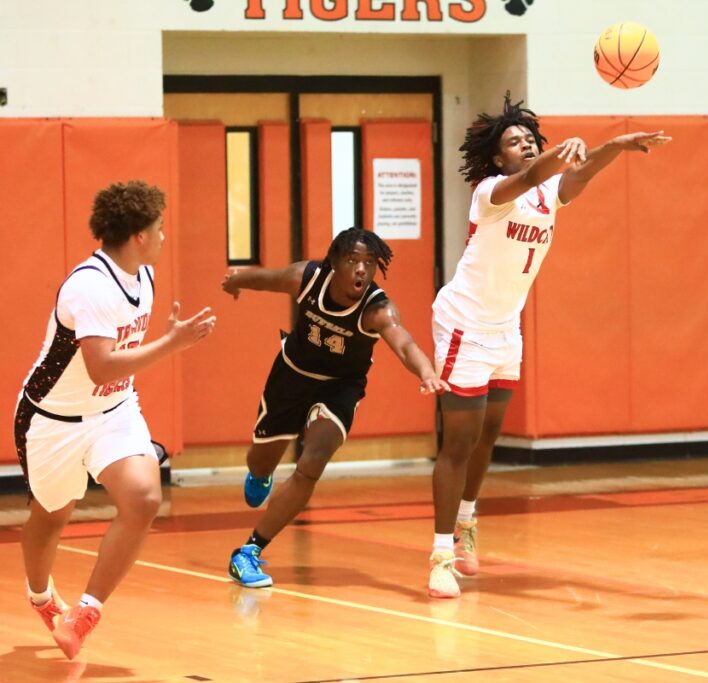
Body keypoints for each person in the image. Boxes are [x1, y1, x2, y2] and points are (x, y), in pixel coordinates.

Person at [427, 92, 671, 598]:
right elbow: (535, 175)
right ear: (498, 158)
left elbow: (576, 177)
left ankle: (467, 522)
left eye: (529, 139)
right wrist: (555, 154)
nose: (526, 145)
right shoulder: (492, 190)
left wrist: (617, 145)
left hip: (505, 324)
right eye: (515, 142)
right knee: (459, 443)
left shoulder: (547, 191)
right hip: (464, 324)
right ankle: (439, 555)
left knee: (490, 432)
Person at [18, 180, 216, 659]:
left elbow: (112, 375)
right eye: (160, 229)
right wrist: (173, 344)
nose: (165, 236)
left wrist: (166, 341)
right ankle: (42, 598)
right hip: (54, 418)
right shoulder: (90, 285)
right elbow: (101, 364)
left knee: (145, 497)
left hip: (114, 409)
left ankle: (84, 614)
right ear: (139, 237)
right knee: (52, 514)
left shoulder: (142, 276)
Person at [221, 227, 447, 588]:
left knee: (313, 461)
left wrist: (426, 372)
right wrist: (238, 280)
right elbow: (269, 278)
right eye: (352, 260)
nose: (361, 269)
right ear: (334, 263)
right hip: (292, 376)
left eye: (369, 263)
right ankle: (261, 473)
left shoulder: (377, 309)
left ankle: (248, 551)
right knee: (260, 461)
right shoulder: (307, 278)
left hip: (340, 388)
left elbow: (403, 344)